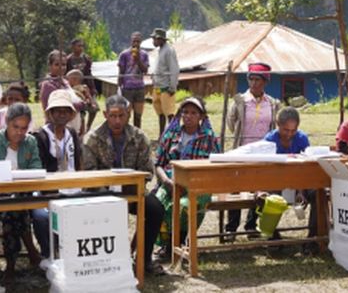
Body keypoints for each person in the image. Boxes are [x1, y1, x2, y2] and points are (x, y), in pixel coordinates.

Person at [82, 94, 166, 276]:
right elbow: (89, 173)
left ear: (128, 114)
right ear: (105, 115)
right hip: (102, 193)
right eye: (113, 116)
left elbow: (147, 171)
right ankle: (107, 262)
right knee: (108, 210)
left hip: (132, 191)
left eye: (121, 115)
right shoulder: (93, 138)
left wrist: (134, 184)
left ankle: (144, 259)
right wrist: (108, 190)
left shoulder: (139, 137)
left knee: (155, 208)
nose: (117, 120)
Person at [0, 103, 43, 280]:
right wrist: (0, 172)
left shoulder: (30, 142)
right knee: (13, 209)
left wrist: (18, 177)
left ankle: (12, 265)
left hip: (20, 194)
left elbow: (36, 168)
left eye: (24, 128)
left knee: (13, 208)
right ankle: (28, 254)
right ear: (7, 123)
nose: (19, 132)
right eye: (15, 127)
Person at [155, 96, 220, 258]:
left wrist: (196, 183)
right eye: (185, 112)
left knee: (185, 206)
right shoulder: (171, 135)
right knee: (158, 205)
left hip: (199, 186)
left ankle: (182, 240)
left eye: (193, 113)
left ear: (201, 117)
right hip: (170, 182)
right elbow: (158, 163)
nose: (188, 116)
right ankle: (167, 243)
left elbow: (216, 166)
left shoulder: (209, 137)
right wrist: (166, 181)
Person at [224, 62, 281, 237]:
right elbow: (231, 124)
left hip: (264, 153)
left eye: (258, 79)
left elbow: (276, 127)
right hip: (242, 151)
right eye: (251, 79)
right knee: (237, 188)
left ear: (265, 81)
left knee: (260, 188)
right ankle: (231, 228)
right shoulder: (240, 101)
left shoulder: (272, 103)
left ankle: (251, 225)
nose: (254, 83)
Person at [31, 90, 83, 268]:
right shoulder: (40, 136)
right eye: (57, 110)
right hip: (46, 191)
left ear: (70, 114)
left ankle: (75, 254)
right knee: (40, 217)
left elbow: (78, 165)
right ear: (50, 113)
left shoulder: (73, 135)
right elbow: (38, 171)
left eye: (65, 111)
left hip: (72, 188)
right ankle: (49, 254)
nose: (61, 114)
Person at [264, 107, 318, 249]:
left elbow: (304, 168)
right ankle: (273, 239)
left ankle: (313, 239)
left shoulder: (302, 139)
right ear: (278, 125)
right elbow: (267, 170)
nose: (289, 134)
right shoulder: (269, 140)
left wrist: (300, 191)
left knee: (318, 194)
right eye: (285, 130)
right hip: (276, 181)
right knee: (267, 199)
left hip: (299, 181)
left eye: (293, 131)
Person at [151, 28, 180, 137]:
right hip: (157, 87)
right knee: (160, 113)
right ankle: (162, 135)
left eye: (155, 39)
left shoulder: (169, 51)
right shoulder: (160, 50)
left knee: (169, 113)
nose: (153, 41)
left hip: (166, 87)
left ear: (160, 39)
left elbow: (174, 69)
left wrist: (172, 86)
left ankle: (173, 135)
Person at [65, 38, 99, 130]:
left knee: (94, 108)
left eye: (82, 46)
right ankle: (81, 129)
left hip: (86, 87)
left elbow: (88, 73)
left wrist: (93, 88)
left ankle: (88, 126)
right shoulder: (68, 60)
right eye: (78, 46)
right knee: (80, 111)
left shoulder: (86, 59)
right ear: (73, 47)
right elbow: (66, 75)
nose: (81, 48)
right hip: (74, 89)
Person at [117, 32, 149, 128]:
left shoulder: (144, 55)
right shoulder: (124, 54)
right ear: (131, 41)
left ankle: (137, 134)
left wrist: (138, 59)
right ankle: (125, 134)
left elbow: (145, 70)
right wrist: (119, 86)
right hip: (127, 88)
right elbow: (121, 72)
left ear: (141, 42)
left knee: (138, 116)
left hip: (139, 88)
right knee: (126, 114)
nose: (136, 43)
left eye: (138, 41)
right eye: (134, 41)